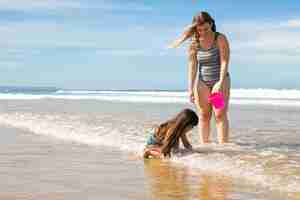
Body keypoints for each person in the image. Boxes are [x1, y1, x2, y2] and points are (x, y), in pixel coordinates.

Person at [169, 11, 231, 144]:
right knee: (204, 115)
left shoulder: (219, 38)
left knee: (219, 114)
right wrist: (190, 88)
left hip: (219, 80)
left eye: (206, 29)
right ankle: (205, 145)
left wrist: (220, 82)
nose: (203, 32)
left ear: (211, 24)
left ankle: (223, 147)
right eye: (200, 29)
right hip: (202, 82)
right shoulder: (194, 42)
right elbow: (192, 65)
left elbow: (225, 61)